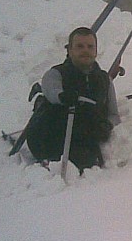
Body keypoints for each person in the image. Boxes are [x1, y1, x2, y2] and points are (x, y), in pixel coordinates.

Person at [25, 26, 120, 172]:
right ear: (69, 50)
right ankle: (39, 99)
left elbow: (114, 114)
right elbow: (52, 90)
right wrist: (62, 97)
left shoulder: (104, 79)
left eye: (90, 46)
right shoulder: (56, 73)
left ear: (96, 50)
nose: (85, 50)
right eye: (79, 46)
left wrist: (107, 125)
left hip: (84, 136)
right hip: (50, 136)